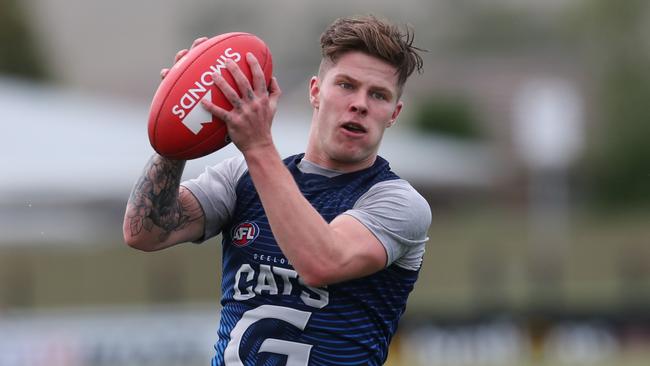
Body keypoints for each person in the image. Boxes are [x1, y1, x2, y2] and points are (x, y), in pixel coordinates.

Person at [123, 15, 431, 366]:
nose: (360, 103)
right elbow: (145, 233)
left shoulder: (398, 203)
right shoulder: (241, 176)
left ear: (394, 113)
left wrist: (257, 146)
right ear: (316, 91)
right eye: (346, 85)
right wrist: (175, 134)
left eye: (378, 95)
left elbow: (321, 262)